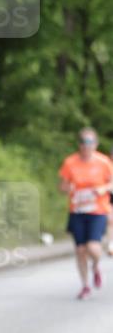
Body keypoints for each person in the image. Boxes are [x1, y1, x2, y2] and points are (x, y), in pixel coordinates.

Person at [58, 128, 113, 299]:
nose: (86, 145)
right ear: (79, 144)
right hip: (77, 210)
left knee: (93, 248)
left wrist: (103, 188)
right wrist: (67, 188)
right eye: (83, 142)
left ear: (95, 144)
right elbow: (62, 187)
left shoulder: (103, 162)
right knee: (80, 250)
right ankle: (85, 285)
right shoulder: (70, 162)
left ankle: (96, 266)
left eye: (89, 142)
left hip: (97, 210)